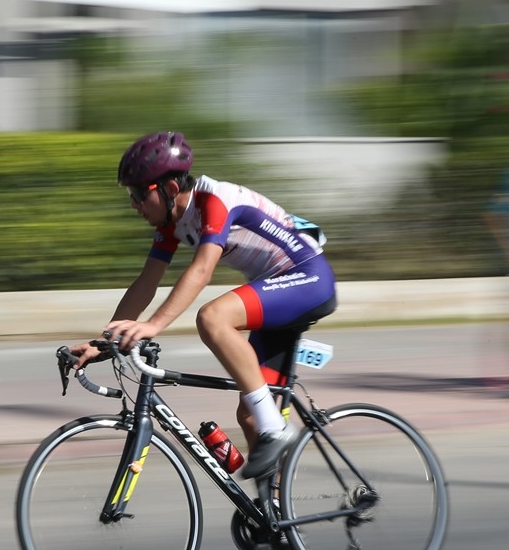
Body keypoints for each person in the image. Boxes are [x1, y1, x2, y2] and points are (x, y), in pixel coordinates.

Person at [69, 130, 336, 483]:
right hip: (277, 290)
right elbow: (146, 283)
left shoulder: (214, 200)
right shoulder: (172, 224)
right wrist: (104, 339)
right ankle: (277, 520)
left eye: (136, 194)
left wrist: (152, 326)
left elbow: (202, 269)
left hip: (307, 277)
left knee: (213, 317)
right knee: (252, 417)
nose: (133, 204)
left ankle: (277, 430)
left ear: (168, 189)